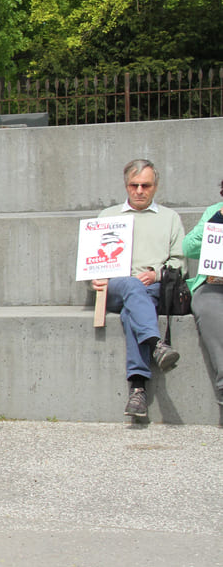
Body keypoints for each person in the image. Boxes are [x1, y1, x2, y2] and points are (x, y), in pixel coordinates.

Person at [92, 158, 184, 421]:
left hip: (153, 288)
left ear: (156, 187)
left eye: (146, 185)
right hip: (116, 286)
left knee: (131, 313)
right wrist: (94, 279)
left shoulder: (170, 218)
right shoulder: (107, 216)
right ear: (126, 185)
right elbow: (92, 258)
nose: (140, 191)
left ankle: (138, 389)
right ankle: (156, 344)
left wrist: (156, 273)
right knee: (132, 287)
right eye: (134, 185)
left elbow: (179, 262)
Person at [182, 177, 223, 415]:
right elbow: (188, 248)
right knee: (208, 306)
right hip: (216, 286)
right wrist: (217, 220)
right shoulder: (213, 213)